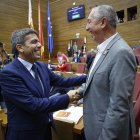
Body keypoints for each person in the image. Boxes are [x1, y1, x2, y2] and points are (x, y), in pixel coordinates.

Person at [0, 28, 86, 140]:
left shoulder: (40, 66)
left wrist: (89, 77)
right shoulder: (9, 73)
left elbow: (62, 82)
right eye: (34, 42)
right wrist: (67, 98)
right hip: (25, 135)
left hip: (45, 129)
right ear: (20, 48)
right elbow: (33, 105)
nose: (40, 45)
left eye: (39, 41)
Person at [68, 5, 137, 140]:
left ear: (103, 22)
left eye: (89, 22)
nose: (86, 28)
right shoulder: (103, 49)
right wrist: (78, 92)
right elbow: (95, 80)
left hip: (108, 132)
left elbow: (118, 106)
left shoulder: (121, 52)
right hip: (95, 124)